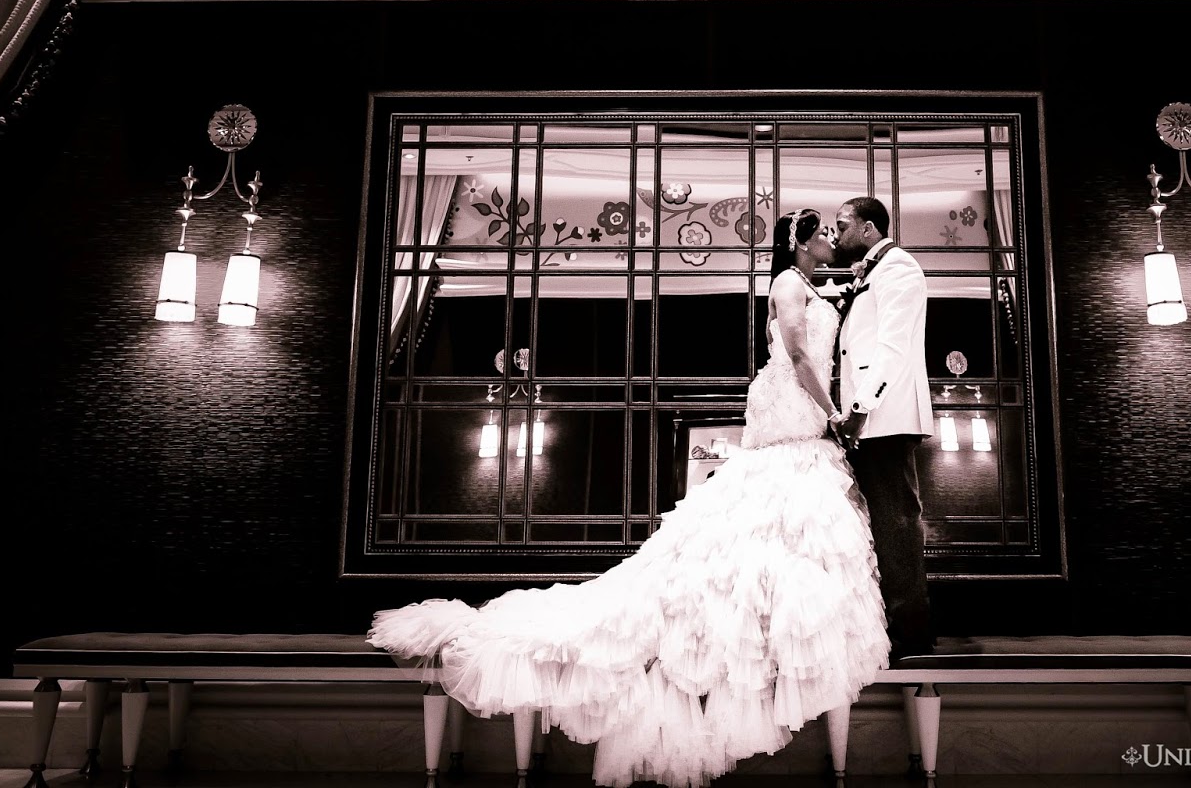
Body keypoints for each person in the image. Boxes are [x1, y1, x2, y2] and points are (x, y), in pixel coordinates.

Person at [367, 209, 888, 788]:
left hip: (801, 412)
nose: (831, 239)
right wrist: (834, 413)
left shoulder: (815, 284)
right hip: (791, 403)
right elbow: (798, 356)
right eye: (822, 233)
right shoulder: (789, 283)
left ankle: (763, 623)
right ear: (800, 243)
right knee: (766, 505)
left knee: (781, 520)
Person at [828, 196, 935, 662]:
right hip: (871, 420)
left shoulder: (899, 269)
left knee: (896, 523)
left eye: (842, 225)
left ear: (869, 228)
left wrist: (859, 407)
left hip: (885, 418)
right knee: (882, 524)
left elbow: (893, 348)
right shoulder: (870, 271)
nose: (836, 235)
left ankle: (912, 637)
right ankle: (888, 628)